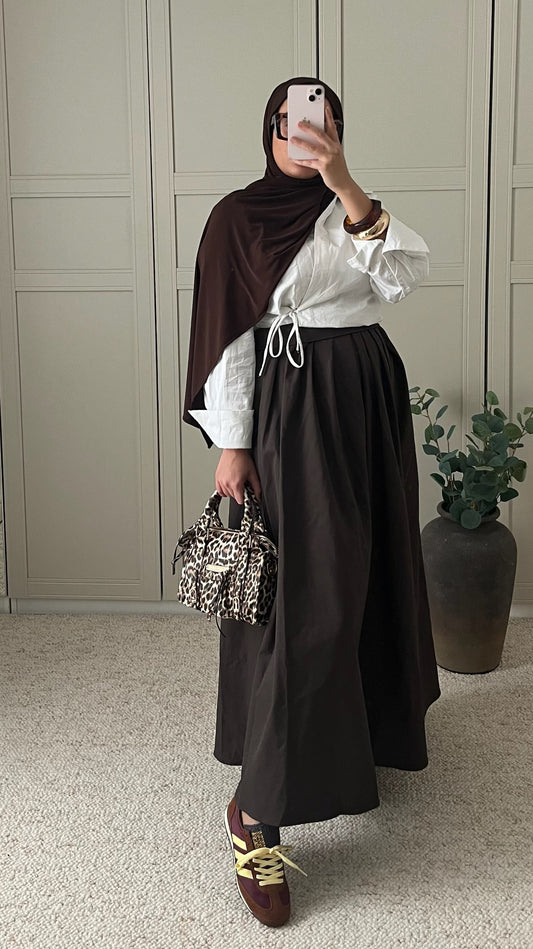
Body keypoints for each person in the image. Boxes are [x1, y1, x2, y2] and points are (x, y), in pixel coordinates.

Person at [182, 76, 441, 928]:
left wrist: (344, 184)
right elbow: (226, 328)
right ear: (269, 130)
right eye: (292, 123)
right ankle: (256, 808)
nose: (306, 135)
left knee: (367, 573)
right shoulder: (237, 217)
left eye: (323, 122)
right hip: (291, 406)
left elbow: (403, 276)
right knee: (306, 600)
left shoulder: (350, 208)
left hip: (365, 399)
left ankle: (364, 735)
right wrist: (232, 440)